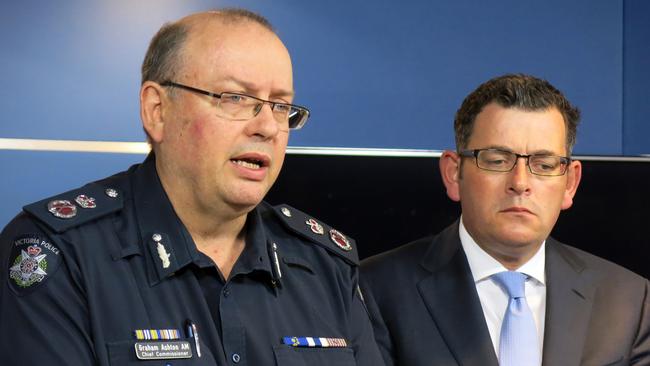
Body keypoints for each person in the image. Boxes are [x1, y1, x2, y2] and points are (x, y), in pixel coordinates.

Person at [0, 9, 384, 366]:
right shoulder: (60, 253)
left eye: (280, 106)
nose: (267, 127)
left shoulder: (326, 264)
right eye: (236, 98)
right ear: (158, 110)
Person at [360, 74, 650, 366]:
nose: (520, 182)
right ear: (453, 174)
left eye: (544, 164)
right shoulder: (373, 290)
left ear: (570, 183)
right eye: (497, 160)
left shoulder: (629, 301)